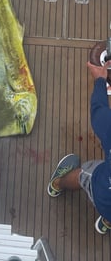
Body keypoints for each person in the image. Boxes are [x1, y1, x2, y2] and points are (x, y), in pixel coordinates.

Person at [47, 60, 111, 234]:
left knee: (85, 174)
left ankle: (58, 184)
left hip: (105, 191)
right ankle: (107, 221)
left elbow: (99, 113)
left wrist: (100, 80)